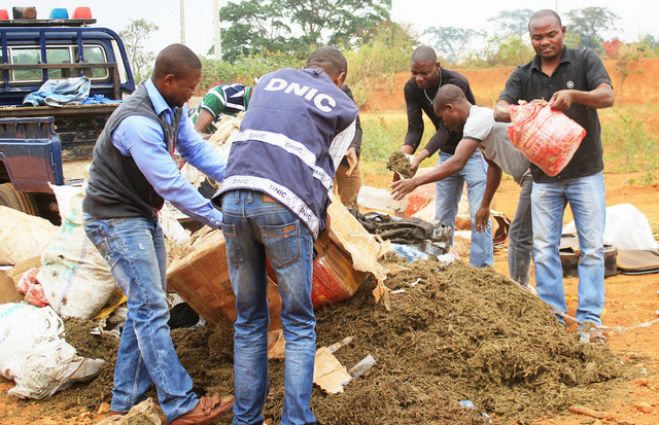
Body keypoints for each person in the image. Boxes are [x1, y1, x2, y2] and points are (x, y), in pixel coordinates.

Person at [83, 44, 233, 424]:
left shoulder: (173, 109)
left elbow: (196, 150)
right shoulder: (137, 122)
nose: (193, 94)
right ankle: (180, 405)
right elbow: (171, 185)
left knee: (144, 306)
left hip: (138, 215)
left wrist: (238, 175)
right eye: (190, 86)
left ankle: (125, 400)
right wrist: (220, 219)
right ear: (169, 80)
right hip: (114, 220)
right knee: (151, 308)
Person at [217, 47, 358, 425]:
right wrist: (319, 228)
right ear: (339, 77)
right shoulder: (343, 105)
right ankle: (296, 419)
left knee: (248, 320)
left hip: (232, 198)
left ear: (308, 66)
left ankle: (246, 420)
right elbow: (325, 176)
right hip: (281, 205)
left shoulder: (269, 80)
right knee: (298, 321)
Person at [494, 10, 615, 342]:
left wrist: (574, 96)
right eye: (537, 37)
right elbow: (498, 108)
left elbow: (607, 96)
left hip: (585, 173)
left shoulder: (583, 60)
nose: (544, 42)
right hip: (544, 178)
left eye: (550, 35)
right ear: (530, 38)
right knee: (544, 248)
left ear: (563, 31)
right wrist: (522, 110)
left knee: (590, 249)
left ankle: (590, 321)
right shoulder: (524, 73)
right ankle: (555, 318)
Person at [393, 84, 533, 285]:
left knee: (519, 235)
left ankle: (520, 290)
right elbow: (494, 166)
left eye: (443, 118)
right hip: (529, 178)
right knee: (525, 234)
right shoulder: (481, 122)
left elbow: (457, 162)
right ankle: (520, 286)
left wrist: (415, 182)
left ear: (451, 108)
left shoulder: (477, 121)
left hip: (534, 176)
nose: (446, 125)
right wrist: (484, 205)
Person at [401, 45, 492, 267]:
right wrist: (404, 155)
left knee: (478, 215)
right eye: (414, 73)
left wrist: (420, 157)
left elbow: (446, 128)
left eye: (424, 73)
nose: (418, 78)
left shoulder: (456, 82)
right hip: (448, 154)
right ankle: (445, 265)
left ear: (437, 67)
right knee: (443, 217)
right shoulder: (412, 88)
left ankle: (482, 271)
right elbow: (415, 127)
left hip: (472, 153)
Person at [335, 83, 363, 207]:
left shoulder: (342, 90)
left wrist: (353, 147)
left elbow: (355, 124)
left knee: (351, 206)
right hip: (319, 160)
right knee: (322, 208)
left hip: (344, 157)